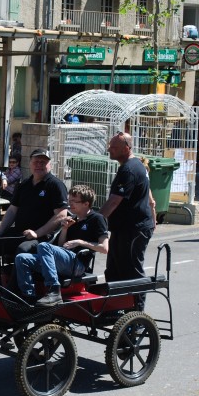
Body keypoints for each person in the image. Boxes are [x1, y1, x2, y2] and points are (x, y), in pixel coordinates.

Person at [0, 148, 68, 284]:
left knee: (23, 249)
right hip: (20, 233)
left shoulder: (55, 185)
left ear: (49, 165)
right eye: (36, 161)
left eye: (43, 162)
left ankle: (14, 289)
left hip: (43, 238)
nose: (39, 164)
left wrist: (37, 233)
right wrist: (0, 231)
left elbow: (62, 215)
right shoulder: (24, 185)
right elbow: (12, 210)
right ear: (30, 164)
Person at [15, 185, 109, 306]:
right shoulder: (73, 219)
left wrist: (80, 242)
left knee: (43, 246)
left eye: (74, 202)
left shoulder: (97, 219)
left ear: (86, 203)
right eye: (69, 201)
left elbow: (105, 248)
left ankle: (53, 290)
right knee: (22, 258)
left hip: (78, 264)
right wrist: (65, 229)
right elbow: (61, 246)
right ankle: (29, 298)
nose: (70, 205)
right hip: (65, 260)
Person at [99, 132, 154, 310]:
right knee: (113, 271)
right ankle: (118, 309)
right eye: (110, 145)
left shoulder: (129, 169)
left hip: (133, 229)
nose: (109, 149)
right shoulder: (133, 165)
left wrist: (95, 220)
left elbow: (114, 201)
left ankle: (136, 316)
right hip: (122, 229)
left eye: (113, 147)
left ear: (126, 148)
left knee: (131, 272)